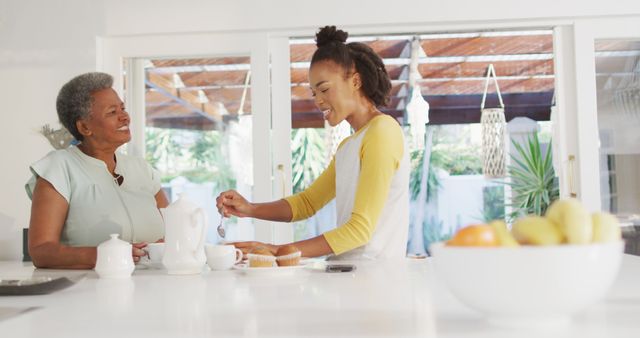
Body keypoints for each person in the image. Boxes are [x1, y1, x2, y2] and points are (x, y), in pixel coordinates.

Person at [216, 26, 409, 260]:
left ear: (356, 81)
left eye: (324, 89)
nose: (318, 101)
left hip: (375, 281)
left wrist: (279, 251)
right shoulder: (349, 145)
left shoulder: (382, 131)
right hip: (350, 275)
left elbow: (360, 229)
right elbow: (307, 203)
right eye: (314, 93)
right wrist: (250, 208)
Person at [26, 72, 168, 269]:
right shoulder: (59, 168)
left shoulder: (142, 169)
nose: (124, 116)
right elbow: (41, 251)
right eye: (112, 112)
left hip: (155, 288)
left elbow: (173, 230)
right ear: (84, 127)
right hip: (91, 291)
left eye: (123, 108)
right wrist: (109, 255)